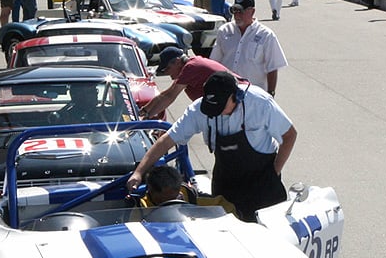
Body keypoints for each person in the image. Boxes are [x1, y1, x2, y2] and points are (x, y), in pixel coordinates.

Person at [127, 71, 296, 222]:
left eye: (220, 107)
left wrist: (274, 172)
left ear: (236, 96)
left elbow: (289, 135)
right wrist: (139, 172)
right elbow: (166, 141)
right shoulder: (199, 110)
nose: (216, 112)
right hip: (227, 181)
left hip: (263, 181)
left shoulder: (260, 103)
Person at [210, 0, 288, 94]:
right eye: (235, 11)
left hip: (253, 94)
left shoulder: (266, 35)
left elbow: (272, 68)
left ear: (252, 11)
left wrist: (271, 93)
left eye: (241, 11)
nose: (237, 15)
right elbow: (214, 63)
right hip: (227, 93)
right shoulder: (224, 31)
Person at [139, 47, 236, 119]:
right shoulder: (189, 68)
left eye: (167, 68)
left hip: (236, 102)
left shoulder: (191, 67)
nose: (168, 73)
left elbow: (170, 97)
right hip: (226, 105)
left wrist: (146, 120)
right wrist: (144, 110)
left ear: (177, 62)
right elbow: (166, 94)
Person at [137, 165, 236, 214]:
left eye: (175, 197)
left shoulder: (191, 196)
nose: (172, 202)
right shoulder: (141, 209)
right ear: (151, 190)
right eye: (164, 200)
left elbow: (226, 207)